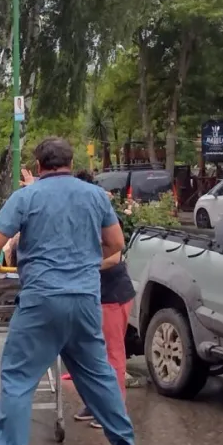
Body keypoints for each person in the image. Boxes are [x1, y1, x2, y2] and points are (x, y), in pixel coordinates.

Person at [0, 137, 136, 445]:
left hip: (41, 299)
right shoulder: (95, 196)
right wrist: (84, 260)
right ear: (70, 161)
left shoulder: (27, 196)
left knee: (19, 377)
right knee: (97, 374)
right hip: (84, 299)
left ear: (38, 165)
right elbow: (116, 244)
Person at [72, 169, 135, 428]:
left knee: (113, 353)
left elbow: (115, 256)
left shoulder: (103, 214)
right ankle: (95, 403)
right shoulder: (77, 215)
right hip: (92, 294)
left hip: (113, 293)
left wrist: (87, 266)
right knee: (91, 353)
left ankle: (114, 408)